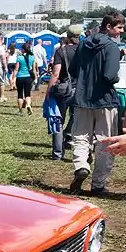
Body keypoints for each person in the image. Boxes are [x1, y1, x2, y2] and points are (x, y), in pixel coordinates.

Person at [67, 11, 125, 195]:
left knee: (80, 137)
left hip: (82, 99)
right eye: (119, 27)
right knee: (105, 142)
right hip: (105, 100)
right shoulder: (112, 47)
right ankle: (98, 184)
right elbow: (110, 75)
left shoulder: (83, 44)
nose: (122, 31)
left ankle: (81, 166)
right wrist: (117, 76)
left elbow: (73, 69)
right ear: (108, 26)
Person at [46, 25, 82, 159]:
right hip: (81, 90)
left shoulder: (61, 51)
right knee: (79, 120)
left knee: (58, 120)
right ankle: (79, 151)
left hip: (64, 90)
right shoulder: (84, 51)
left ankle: (57, 153)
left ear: (67, 36)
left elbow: (55, 73)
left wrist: (49, 91)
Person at [15, 42, 37, 115]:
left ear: (24, 49)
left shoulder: (19, 57)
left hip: (20, 77)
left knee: (20, 94)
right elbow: (34, 69)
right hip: (28, 77)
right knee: (28, 94)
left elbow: (16, 69)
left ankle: (20, 110)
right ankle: (28, 104)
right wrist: (35, 78)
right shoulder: (32, 57)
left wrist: (13, 78)